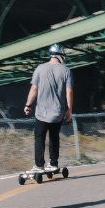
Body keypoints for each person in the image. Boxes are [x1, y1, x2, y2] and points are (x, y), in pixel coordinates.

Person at [24, 44, 73, 174]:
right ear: (61, 55)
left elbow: (34, 89)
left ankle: (39, 165)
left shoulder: (40, 69)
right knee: (54, 137)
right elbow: (69, 92)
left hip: (41, 112)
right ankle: (53, 164)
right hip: (58, 112)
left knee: (39, 137)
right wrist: (69, 110)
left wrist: (28, 105)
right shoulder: (66, 71)